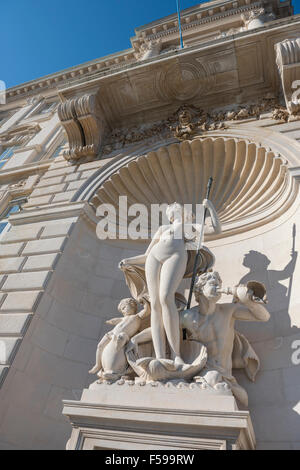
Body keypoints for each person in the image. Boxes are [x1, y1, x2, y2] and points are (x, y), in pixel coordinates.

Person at [119, 200, 221, 364]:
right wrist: (128, 260)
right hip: (154, 258)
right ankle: (160, 356)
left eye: (174, 210)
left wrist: (210, 207)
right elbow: (147, 255)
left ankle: (176, 355)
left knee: (166, 297)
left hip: (175, 256)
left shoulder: (189, 227)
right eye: (169, 212)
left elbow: (216, 230)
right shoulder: (162, 229)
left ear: (181, 212)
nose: (171, 213)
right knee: (155, 304)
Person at [180, 271, 270, 404]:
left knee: (243, 398)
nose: (218, 287)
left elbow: (263, 317)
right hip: (202, 372)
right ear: (200, 288)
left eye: (219, 284)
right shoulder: (187, 317)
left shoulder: (228, 310)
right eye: (213, 284)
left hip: (226, 375)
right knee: (213, 378)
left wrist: (249, 302)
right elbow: (164, 329)